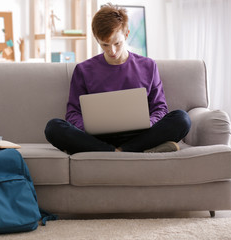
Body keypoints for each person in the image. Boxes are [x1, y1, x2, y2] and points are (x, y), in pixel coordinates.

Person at [44, 4, 191, 154]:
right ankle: (131, 150)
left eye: (117, 43)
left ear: (126, 34)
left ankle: (114, 151)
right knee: (53, 127)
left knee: (182, 119)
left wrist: (149, 123)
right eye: (105, 45)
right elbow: (73, 113)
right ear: (97, 39)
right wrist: (87, 129)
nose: (112, 51)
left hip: (141, 134)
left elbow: (160, 108)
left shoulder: (148, 66)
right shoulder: (83, 70)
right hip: (98, 137)